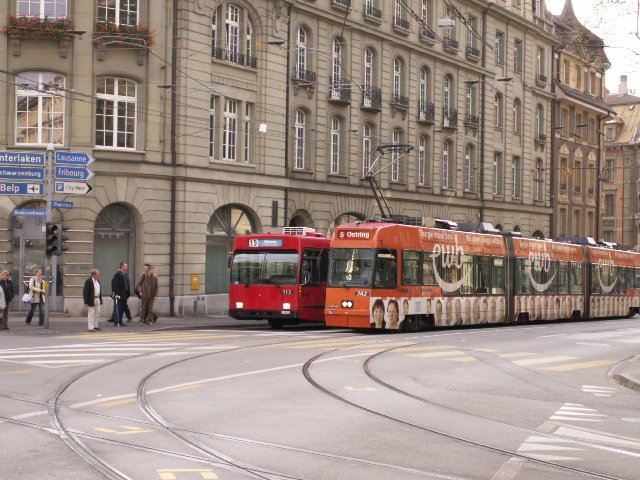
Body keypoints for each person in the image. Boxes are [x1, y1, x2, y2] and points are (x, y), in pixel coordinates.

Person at [111, 262, 132, 327]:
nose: (126, 267)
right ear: (122, 267)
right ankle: (117, 322)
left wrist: (128, 293)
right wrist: (116, 293)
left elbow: (127, 284)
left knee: (122, 309)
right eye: (125, 266)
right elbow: (114, 285)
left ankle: (120, 321)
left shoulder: (125, 275)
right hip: (119, 295)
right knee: (118, 308)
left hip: (124, 294)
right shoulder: (117, 275)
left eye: (126, 266)